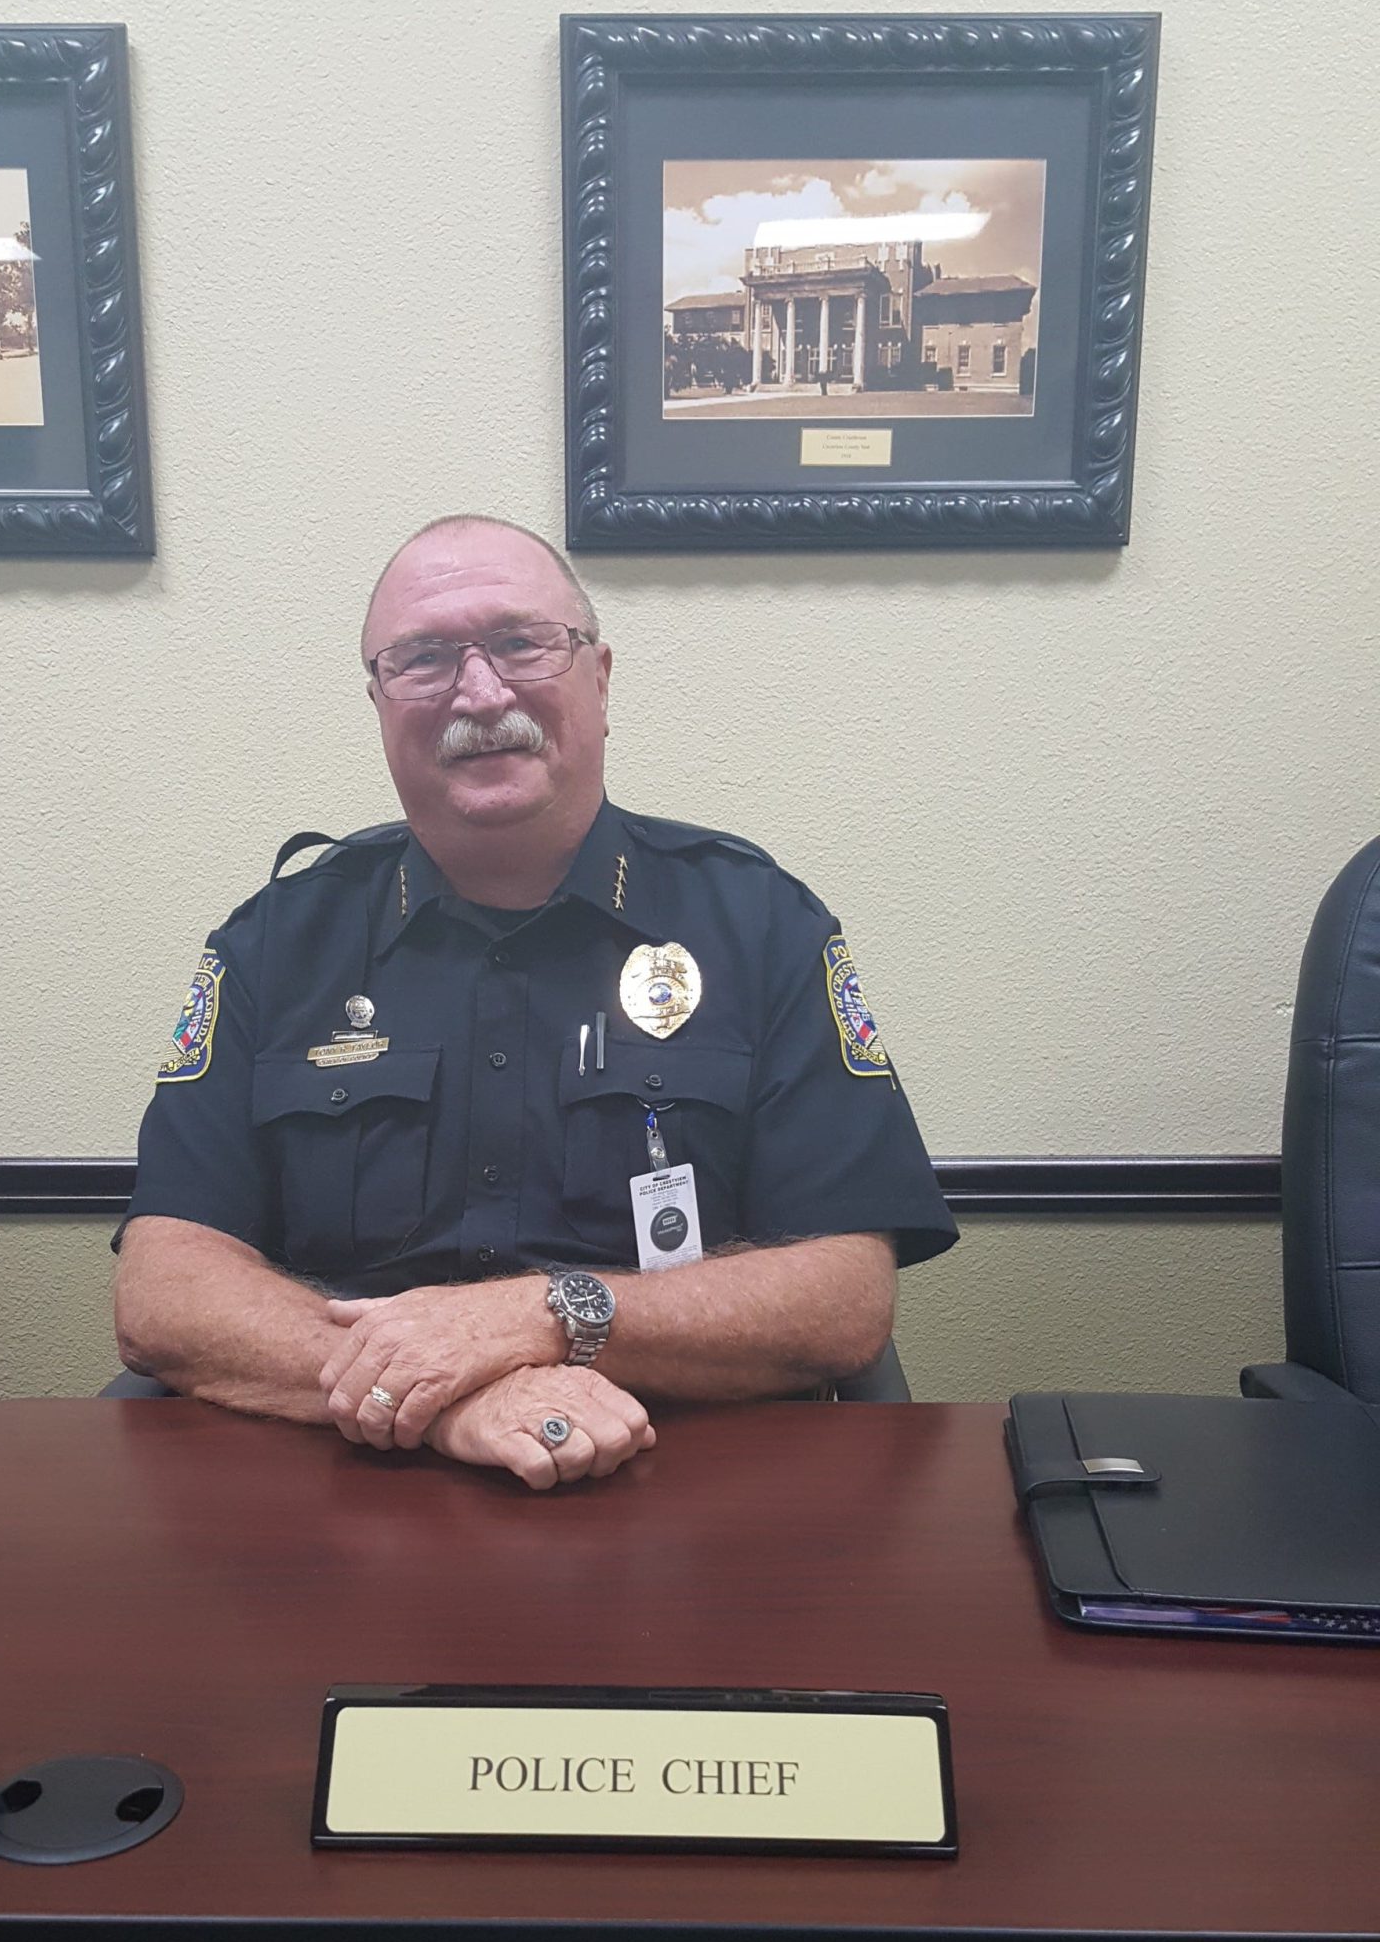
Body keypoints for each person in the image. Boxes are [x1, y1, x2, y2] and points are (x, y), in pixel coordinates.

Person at [114, 515, 957, 1487]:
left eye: (520, 643)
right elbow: (165, 1287)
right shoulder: (276, 944)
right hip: (343, 1483)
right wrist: (441, 1395)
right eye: (422, 659)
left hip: (689, 1481)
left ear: (600, 677)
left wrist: (541, 1316)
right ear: (379, 702)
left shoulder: (759, 923)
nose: (479, 693)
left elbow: (843, 1297)